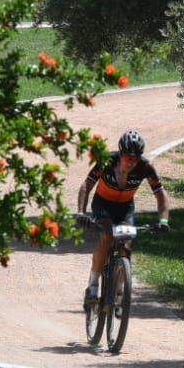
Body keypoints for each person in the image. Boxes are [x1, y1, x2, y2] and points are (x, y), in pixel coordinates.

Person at [75, 129, 170, 306]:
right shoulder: (106, 162)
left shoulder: (145, 167)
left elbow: (161, 195)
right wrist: (81, 212)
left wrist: (163, 221)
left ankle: (119, 292)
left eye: (135, 158)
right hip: (102, 204)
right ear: (120, 154)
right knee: (107, 236)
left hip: (125, 207)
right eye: (128, 158)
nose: (132, 163)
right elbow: (86, 186)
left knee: (127, 244)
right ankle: (93, 286)